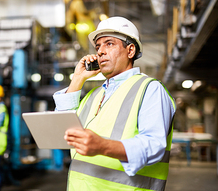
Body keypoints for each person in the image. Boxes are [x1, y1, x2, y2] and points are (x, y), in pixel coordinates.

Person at [53, 16, 176, 191]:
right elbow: (61, 131)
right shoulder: (93, 95)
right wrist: (77, 79)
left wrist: (102, 146)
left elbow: (154, 146)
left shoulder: (150, 90)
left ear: (130, 50)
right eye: (98, 46)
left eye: (109, 44)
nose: (100, 51)